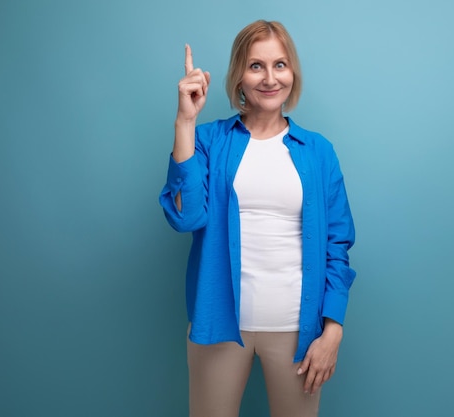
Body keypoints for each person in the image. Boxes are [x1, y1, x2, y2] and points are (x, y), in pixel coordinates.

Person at [160, 20, 356, 417]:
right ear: (239, 76)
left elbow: (338, 245)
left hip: (298, 333)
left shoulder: (318, 152)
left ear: (292, 72)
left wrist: (333, 329)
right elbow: (186, 215)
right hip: (218, 325)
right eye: (256, 66)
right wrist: (185, 122)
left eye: (280, 65)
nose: (270, 78)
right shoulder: (209, 140)